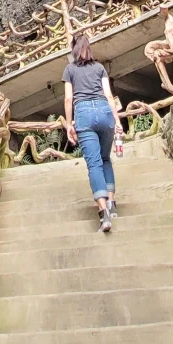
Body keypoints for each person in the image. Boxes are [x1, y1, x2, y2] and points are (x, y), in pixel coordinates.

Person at [63, 33, 124, 231]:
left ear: (73, 50)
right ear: (88, 48)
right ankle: (112, 204)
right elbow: (108, 94)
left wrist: (69, 124)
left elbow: (68, 99)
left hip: (83, 114)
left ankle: (103, 214)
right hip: (104, 111)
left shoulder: (69, 70)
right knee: (105, 159)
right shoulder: (99, 68)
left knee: (94, 164)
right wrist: (117, 121)